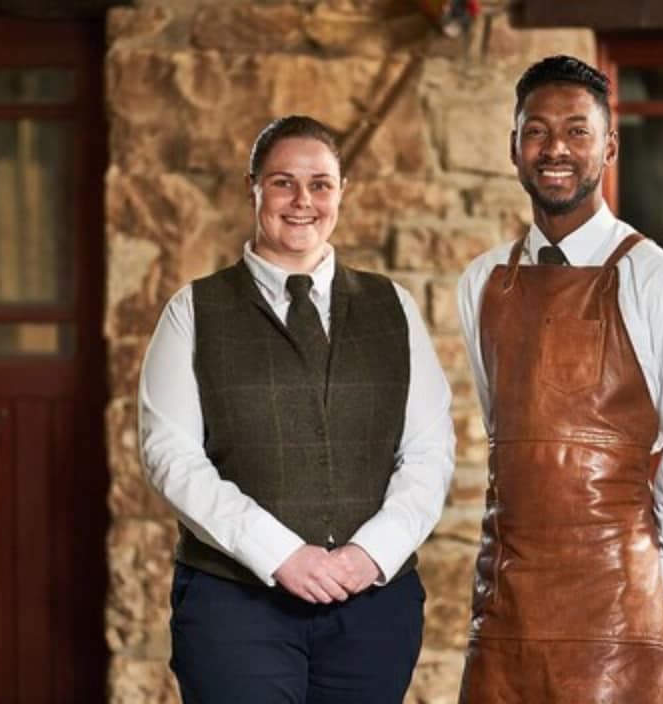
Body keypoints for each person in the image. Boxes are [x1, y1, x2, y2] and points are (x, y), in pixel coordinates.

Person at [138, 115, 455, 704]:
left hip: (372, 608)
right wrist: (279, 554)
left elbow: (429, 452)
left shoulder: (394, 307)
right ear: (253, 188)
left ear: (341, 192)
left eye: (320, 184)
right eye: (283, 182)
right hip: (234, 606)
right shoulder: (193, 311)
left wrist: (371, 554)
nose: (303, 200)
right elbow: (170, 457)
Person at [456, 55, 663, 702]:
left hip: (616, 614)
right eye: (536, 131)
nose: (555, 148)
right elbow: (509, 434)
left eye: (577, 131)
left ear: (609, 147)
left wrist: (647, 575)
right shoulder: (482, 283)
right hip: (502, 613)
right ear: (513, 147)